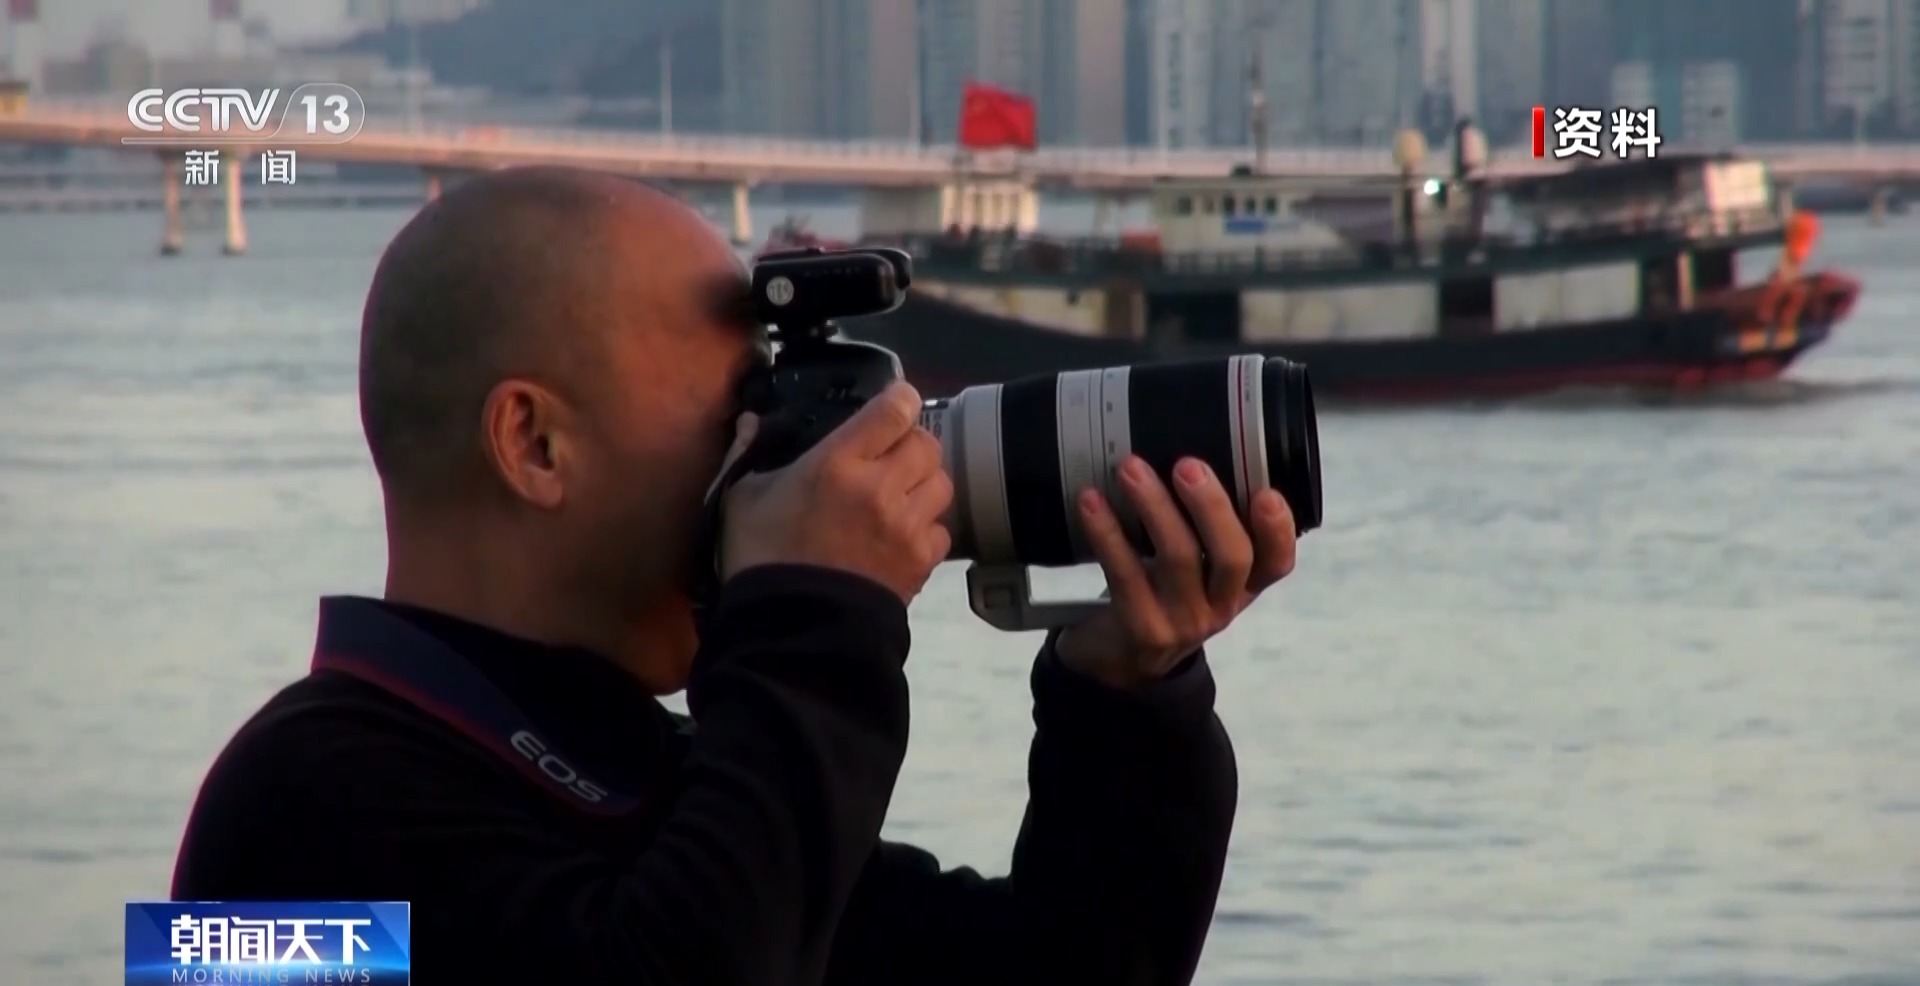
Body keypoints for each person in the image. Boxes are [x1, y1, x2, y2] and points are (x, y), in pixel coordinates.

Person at [171, 166, 1300, 985]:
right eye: (740, 406)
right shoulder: (281, 821)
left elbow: (1052, 969)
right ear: (536, 444)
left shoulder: (628, 777)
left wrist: (1128, 700)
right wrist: (814, 620)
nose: (777, 454)